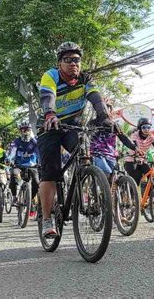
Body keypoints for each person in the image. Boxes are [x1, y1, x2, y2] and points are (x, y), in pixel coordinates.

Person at [37, 41, 112, 237]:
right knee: (51, 172)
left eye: (77, 60)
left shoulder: (86, 79)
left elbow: (96, 99)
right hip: (49, 126)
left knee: (85, 154)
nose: (73, 64)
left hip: (73, 126)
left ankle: (84, 184)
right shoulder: (50, 76)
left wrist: (104, 117)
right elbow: (47, 97)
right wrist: (50, 114)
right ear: (59, 63)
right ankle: (46, 219)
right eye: (68, 60)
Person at [89, 100, 141, 177]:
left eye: (108, 109)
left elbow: (124, 138)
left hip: (111, 156)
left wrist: (135, 148)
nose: (105, 111)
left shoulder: (114, 125)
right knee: (106, 173)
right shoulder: (92, 123)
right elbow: (85, 137)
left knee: (115, 178)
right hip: (96, 154)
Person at [124, 117, 154, 186]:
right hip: (131, 160)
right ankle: (134, 195)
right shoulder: (135, 135)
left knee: (151, 175)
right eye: (144, 127)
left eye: (148, 127)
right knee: (137, 179)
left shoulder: (151, 137)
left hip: (142, 160)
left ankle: (150, 194)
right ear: (140, 128)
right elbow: (135, 147)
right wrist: (138, 151)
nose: (146, 129)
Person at [7, 121, 39, 211]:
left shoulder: (34, 142)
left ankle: (30, 198)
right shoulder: (16, 141)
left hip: (32, 166)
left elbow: (38, 153)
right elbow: (12, 151)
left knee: (36, 182)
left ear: (30, 130)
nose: (25, 132)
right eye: (23, 130)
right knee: (14, 175)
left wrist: (40, 162)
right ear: (20, 131)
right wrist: (9, 159)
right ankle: (14, 197)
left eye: (27, 130)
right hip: (18, 165)